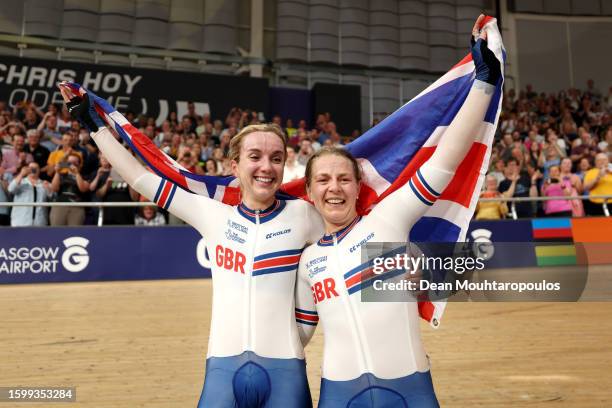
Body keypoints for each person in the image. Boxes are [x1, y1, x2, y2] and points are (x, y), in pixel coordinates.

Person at [60, 83, 324, 408]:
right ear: (234, 166)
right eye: (254, 157)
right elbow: (141, 179)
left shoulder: (304, 215)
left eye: (277, 158)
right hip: (222, 371)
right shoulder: (211, 214)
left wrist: (400, 283)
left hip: (287, 372)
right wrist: (94, 126)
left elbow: (353, 241)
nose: (266, 167)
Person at [295, 15, 501, 406]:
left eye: (344, 179)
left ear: (359, 187)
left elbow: (446, 158)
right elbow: (297, 338)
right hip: (339, 395)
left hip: (411, 389)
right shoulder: (309, 261)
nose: (334, 188)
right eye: (323, 181)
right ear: (308, 192)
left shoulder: (388, 220)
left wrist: (484, 83)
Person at [49, 153, 90, 226]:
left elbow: (83, 189)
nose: (72, 165)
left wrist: (77, 174)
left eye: (75, 163)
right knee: (56, 232)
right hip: (60, 206)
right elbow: (54, 188)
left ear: (80, 164)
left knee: (74, 233)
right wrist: (57, 172)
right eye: (70, 163)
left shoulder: (84, 176)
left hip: (77, 208)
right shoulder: (61, 176)